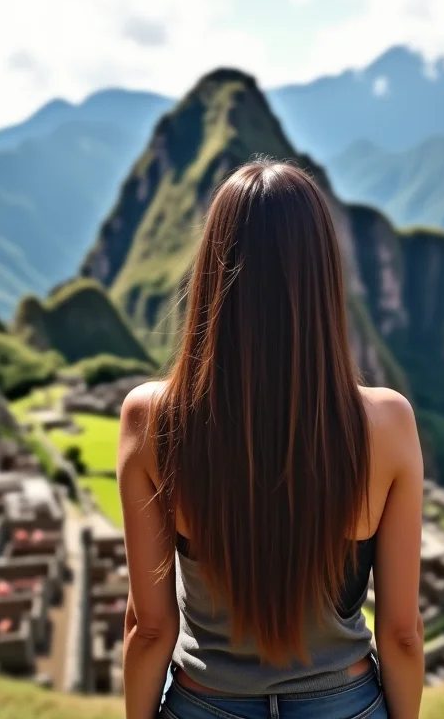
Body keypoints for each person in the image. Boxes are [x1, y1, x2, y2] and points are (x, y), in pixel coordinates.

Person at [117, 161, 425, 719]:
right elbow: (401, 633)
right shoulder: (388, 424)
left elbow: (149, 627)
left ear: (213, 272)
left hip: (204, 704)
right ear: (324, 277)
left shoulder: (152, 421)